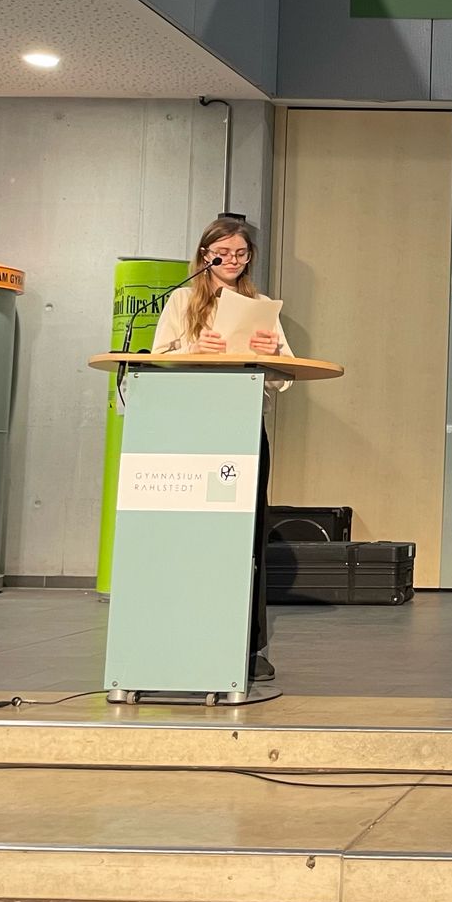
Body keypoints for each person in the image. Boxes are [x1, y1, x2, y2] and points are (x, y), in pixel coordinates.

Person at [151, 217, 292, 683]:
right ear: (204, 254)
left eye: (241, 253)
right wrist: (193, 349)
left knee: (247, 538)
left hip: (244, 428)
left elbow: (286, 376)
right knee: (194, 536)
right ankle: (184, 636)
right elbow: (156, 360)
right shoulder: (181, 301)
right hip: (192, 430)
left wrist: (272, 353)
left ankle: (250, 647)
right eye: (223, 253)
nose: (232, 261)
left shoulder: (259, 306)